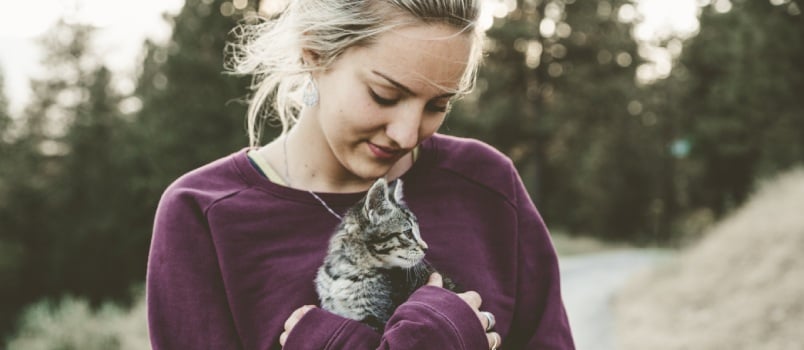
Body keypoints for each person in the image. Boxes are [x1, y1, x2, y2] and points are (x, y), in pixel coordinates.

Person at [146, 0, 575, 348]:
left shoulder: (487, 186)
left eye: (437, 106)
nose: (408, 134)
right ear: (314, 53)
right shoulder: (202, 215)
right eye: (385, 95)